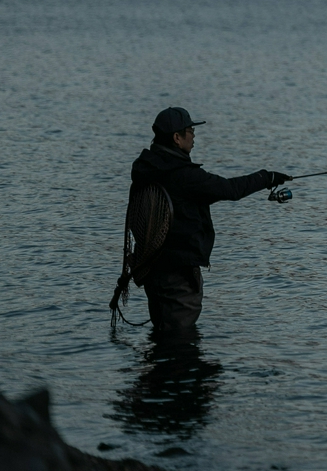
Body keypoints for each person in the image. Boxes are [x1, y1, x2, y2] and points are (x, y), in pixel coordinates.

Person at [116, 107, 289, 338]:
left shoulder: (144, 168)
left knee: (162, 337)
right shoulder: (184, 176)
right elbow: (230, 189)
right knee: (180, 342)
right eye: (190, 131)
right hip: (179, 276)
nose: (194, 135)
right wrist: (267, 177)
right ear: (177, 138)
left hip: (153, 270)